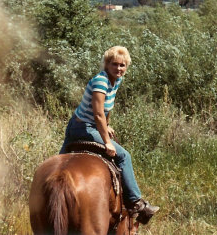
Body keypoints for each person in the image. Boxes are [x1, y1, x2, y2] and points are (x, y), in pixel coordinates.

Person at [59, 46, 159, 219]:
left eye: (122, 65)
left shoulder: (116, 80)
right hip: (82, 127)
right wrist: (107, 141)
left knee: (60, 161)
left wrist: (108, 125)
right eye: (114, 64)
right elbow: (98, 114)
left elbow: (107, 108)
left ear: (126, 66)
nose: (119, 69)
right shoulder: (101, 81)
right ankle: (136, 202)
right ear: (106, 64)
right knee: (124, 156)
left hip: (87, 124)